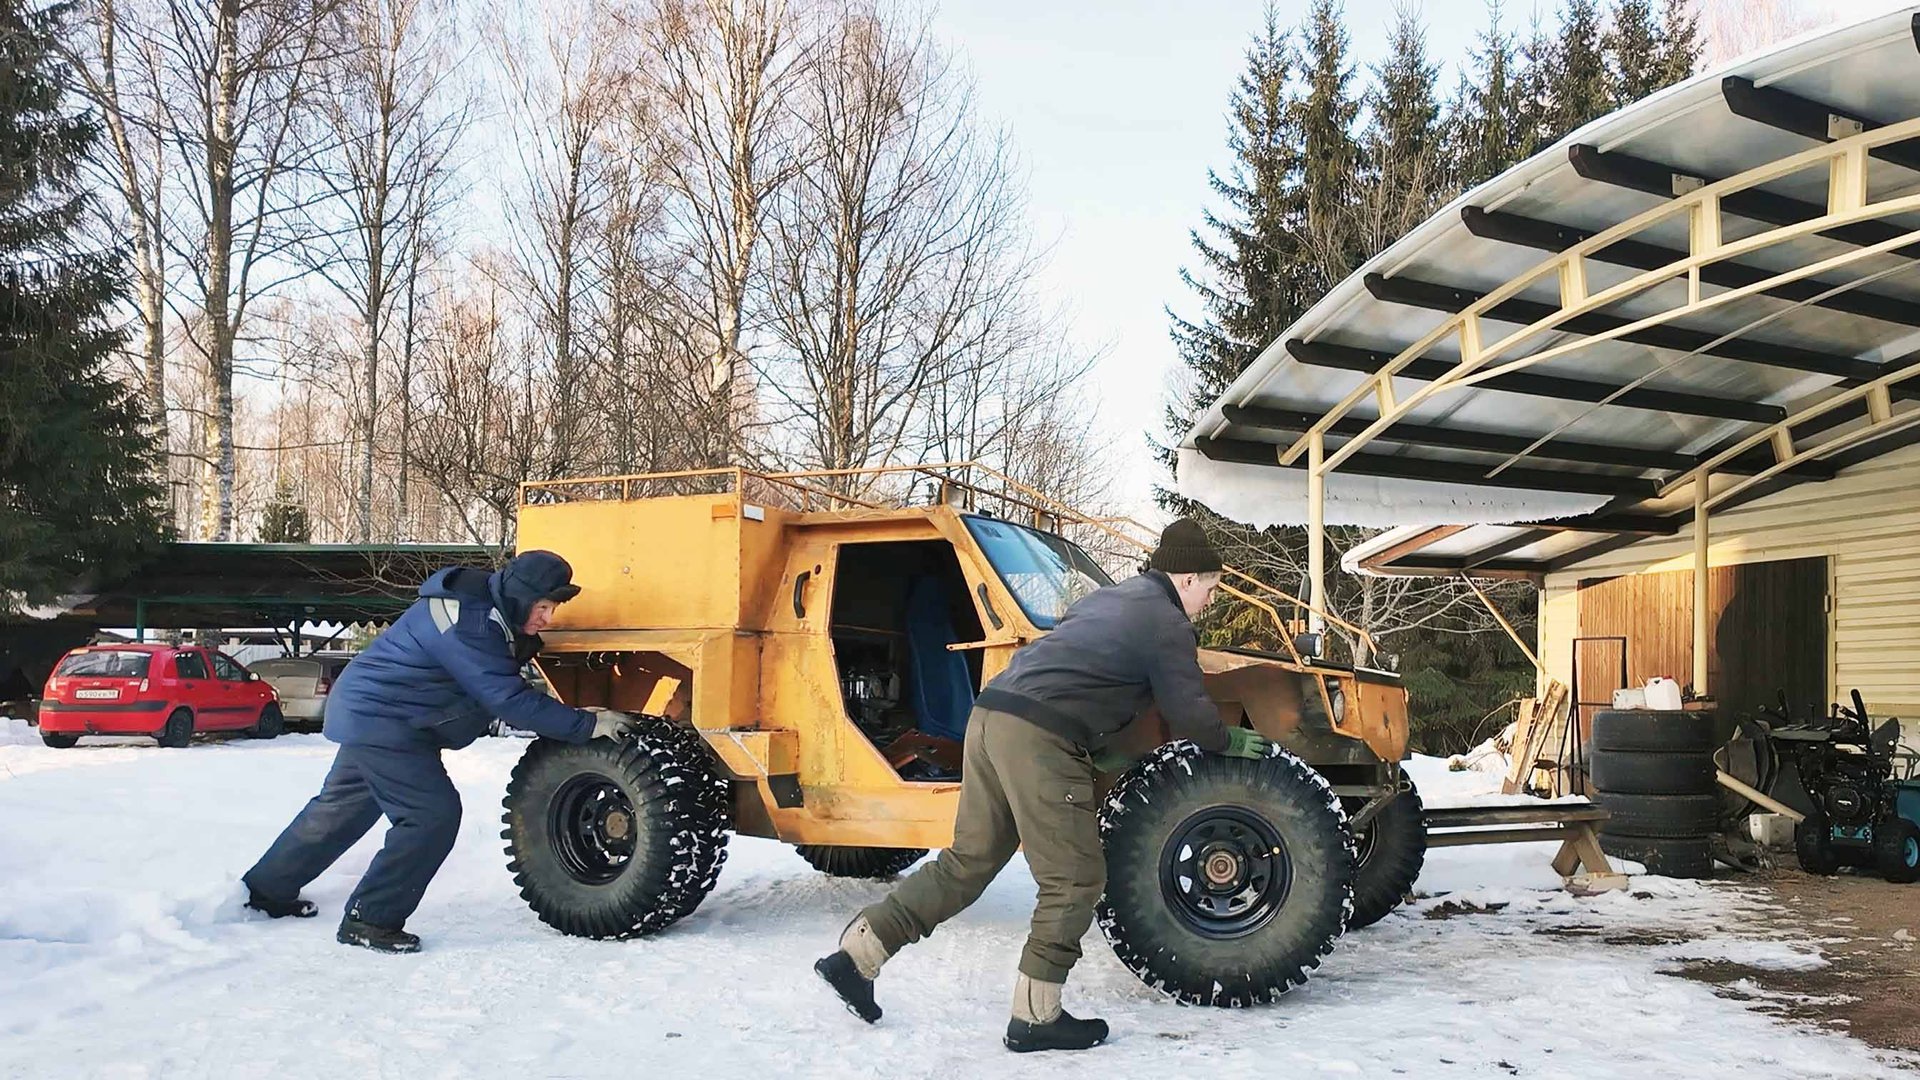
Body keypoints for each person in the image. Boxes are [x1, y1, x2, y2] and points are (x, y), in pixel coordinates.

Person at [813, 518, 1273, 1052]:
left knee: (967, 863)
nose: (1210, 601)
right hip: (1038, 736)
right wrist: (1227, 741)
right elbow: (1188, 710)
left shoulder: (1108, 600)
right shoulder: (1167, 621)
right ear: (1188, 578)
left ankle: (858, 955)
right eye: (1211, 589)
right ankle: (1035, 1017)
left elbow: (1087, 674)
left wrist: (1109, 748)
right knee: (1075, 878)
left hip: (991, 718)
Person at [241, 550, 635, 953]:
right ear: (521, 595)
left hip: (380, 713)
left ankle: (265, 891)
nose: (547, 619)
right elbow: (507, 698)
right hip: (386, 719)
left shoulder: (485, 612)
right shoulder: (469, 622)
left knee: (339, 810)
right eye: (544, 607)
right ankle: (370, 919)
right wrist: (586, 725)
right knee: (430, 815)